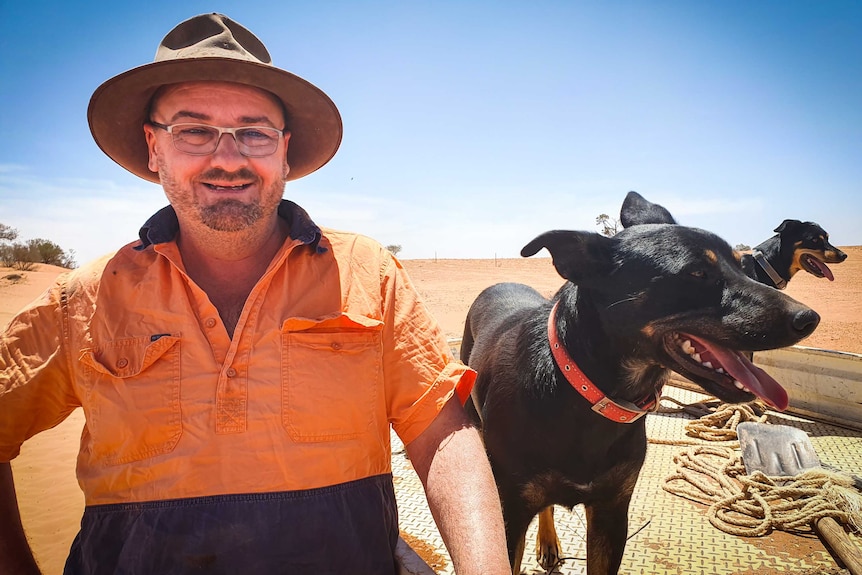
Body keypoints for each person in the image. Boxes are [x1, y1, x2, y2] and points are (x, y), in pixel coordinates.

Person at [0, 13, 510, 575]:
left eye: (254, 132)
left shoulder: (368, 273)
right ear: (153, 147)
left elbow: (440, 430)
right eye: (193, 130)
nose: (228, 158)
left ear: (284, 151)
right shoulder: (89, 297)